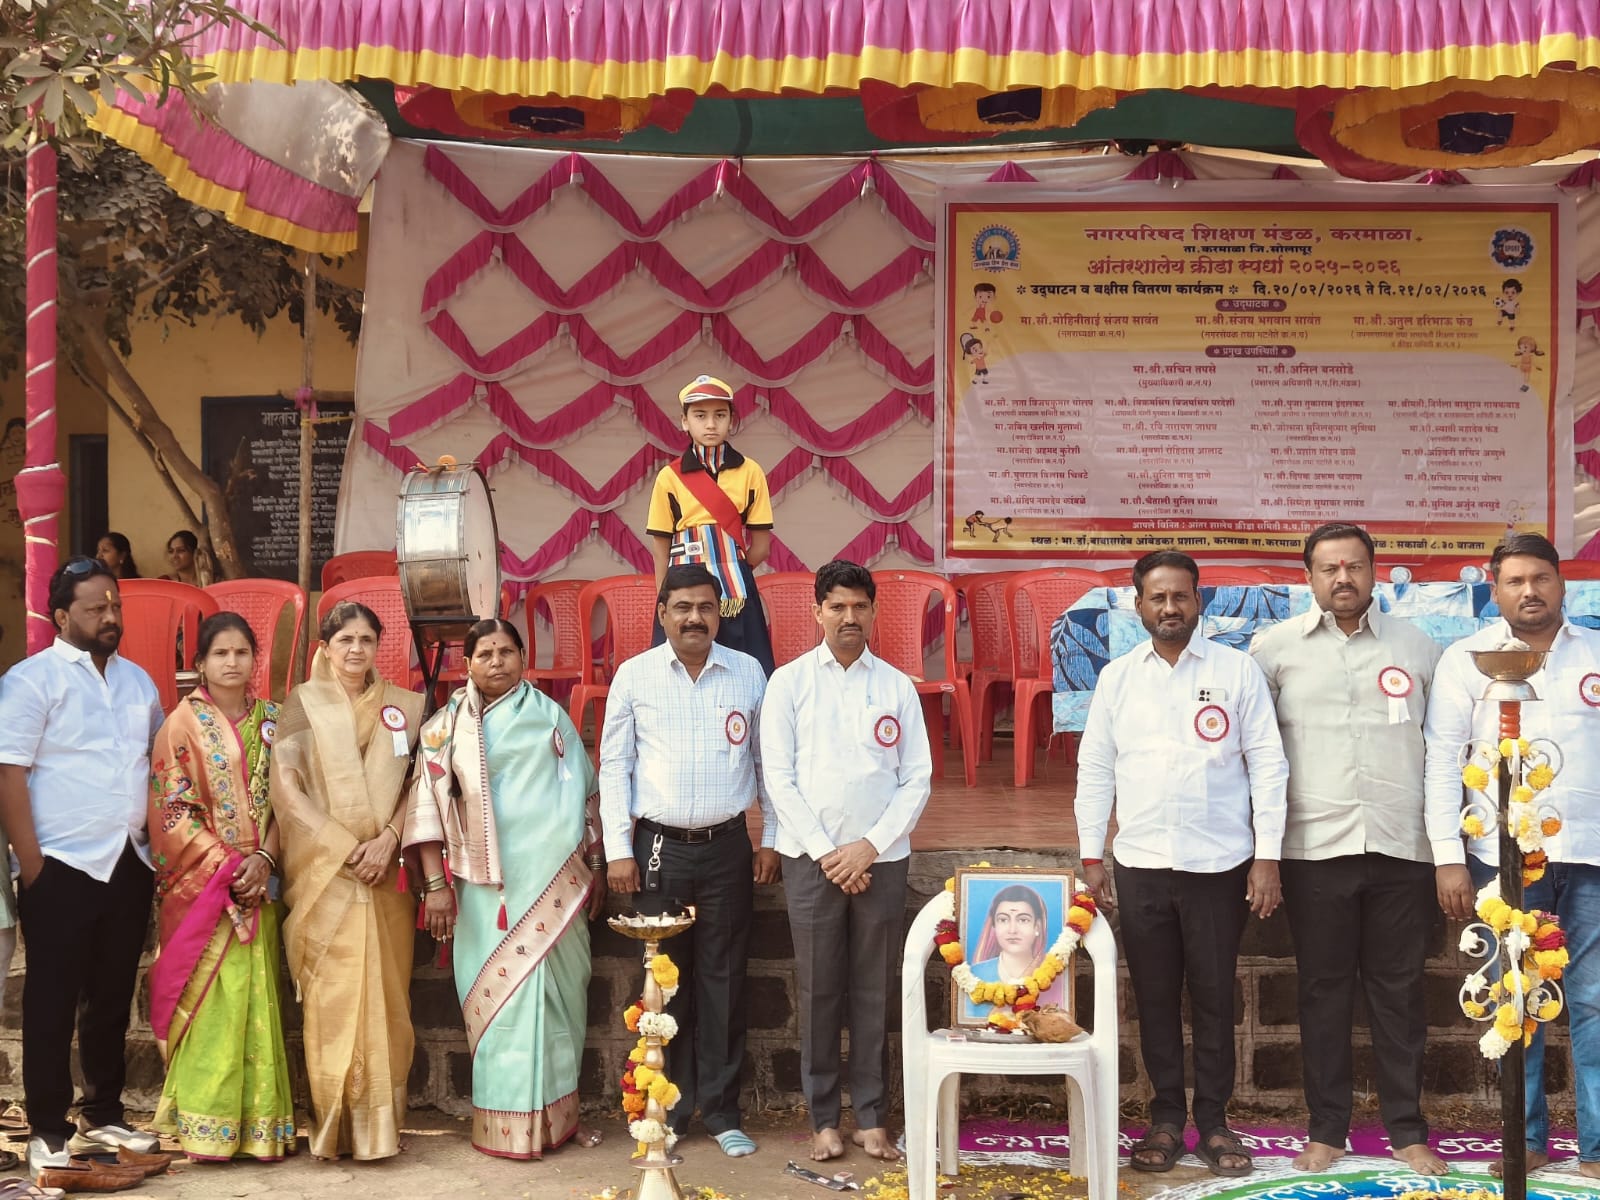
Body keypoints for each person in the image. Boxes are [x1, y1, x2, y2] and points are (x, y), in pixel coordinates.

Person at [1075, 549, 1287, 1178]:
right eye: (1157, 597)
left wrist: (1267, 857)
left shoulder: (1236, 671)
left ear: (1199, 601)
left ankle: (1215, 1121)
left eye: (1181, 596)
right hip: (1141, 863)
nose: (1170, 607)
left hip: (1219, 864)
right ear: (1137, 605)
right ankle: (1166, 1118)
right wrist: (1091, 852)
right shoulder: (1118, 678)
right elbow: (1096, 767)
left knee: (1215, 997)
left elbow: (1268, 765)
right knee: (1156, 997)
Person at [1249, 523, 1447, 1175]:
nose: (1343, 578)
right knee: (1322, 991)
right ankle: (1327, 1129)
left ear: (1373, 571)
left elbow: (1446, 748)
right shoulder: (1273, 651)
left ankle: (1407, 1130)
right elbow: (1256, 755)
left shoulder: (1418, 648)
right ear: (1308, 577)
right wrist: (1263, 848)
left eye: (1355, 566)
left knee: (1400, 993)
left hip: (1401, 844)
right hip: (1314, 847)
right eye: (1329, 568)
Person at [1424, 533, 1600, 1179]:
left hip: (1591, 853)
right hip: (1502, 859)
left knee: (1593, 1000)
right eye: (1515, 581)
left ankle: (1597, 1147)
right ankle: (1523, 1139)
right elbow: (1442, 762)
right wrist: (1447, 856)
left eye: (1541, 578)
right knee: (1515, 999)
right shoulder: (1466, 661)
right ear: (1494, 590)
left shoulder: (1595, 653)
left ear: (1562, 584)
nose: (1530, 591)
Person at [407, 619, 605, 1159]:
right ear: (467, 664)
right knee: (499, 1008)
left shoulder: (551, 718)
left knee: (561, 1005)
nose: (496, 662)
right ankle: (502, 1126)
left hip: (556, 882)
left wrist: (596, 861)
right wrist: (435, 886)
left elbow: (585, 794)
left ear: (522, 657)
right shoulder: (444, 728)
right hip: (483, 892)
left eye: (506, 651)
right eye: (485, 654)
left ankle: (559, 1122)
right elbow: (425, 809)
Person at [599, 564, 777, 1158]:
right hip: (657, 849)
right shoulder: (635, 675)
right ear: (662, 614)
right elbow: (614, 766)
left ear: (719, 614)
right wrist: (618, 849)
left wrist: (771, 837)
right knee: (663, 984)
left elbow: (766, 763)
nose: (694, 618)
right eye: (682, 607)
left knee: (725, 979)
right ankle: (666, 1110)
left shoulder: (747, 672)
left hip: (728, 846)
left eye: (705, 607)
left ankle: (723, 1112)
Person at [761, 559, 932, 1163]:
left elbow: (916, 778)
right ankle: (823, 1119)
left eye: (860, 606)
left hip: (880, 859)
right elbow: (778, 777)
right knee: (819, 989)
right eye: (837, 606)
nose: (849, 617)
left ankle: (872, 1117)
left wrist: (869, 846)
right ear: (817, 612)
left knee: (874, 988)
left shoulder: (897, 687)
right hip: (812, 860)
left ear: (874, 612)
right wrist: (828, 851)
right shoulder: (788, 684)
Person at [0, 557, 164, 1178]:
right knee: (51, 999)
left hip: (127, 859)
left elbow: (157, 766)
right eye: (96, 608)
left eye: (114, 605)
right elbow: (9, 772)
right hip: (60, 864)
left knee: (111, 996)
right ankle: (47, 1126)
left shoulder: (139, 683)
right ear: (62, 616)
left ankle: (103, 1113)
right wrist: (33, 865)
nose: (110, 616)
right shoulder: (30, 681)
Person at [270, 600, 422, 1162]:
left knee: (388, 997)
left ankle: (381, 1127)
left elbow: (418, 784)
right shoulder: (300, 705)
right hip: (326, 873)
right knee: (331, 1002)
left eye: (366, 640)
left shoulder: (404, 707)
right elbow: (287, 791)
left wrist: (389, 839)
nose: (356, 649)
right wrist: (342, 846)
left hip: (385, 872)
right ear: (325, 647)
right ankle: (334, 1125)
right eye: (345, 640)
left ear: (378, 646)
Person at [148, 612, 295, 1161]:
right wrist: (229, 868)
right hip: (205, 888)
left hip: (262, 881)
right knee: (213, 1002)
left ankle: (258, 1127)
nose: (232, 662)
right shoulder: (181, 725)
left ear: (255, 658)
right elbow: (172, 810)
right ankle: (205, 1124)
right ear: (201, 663)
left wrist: (264, 859)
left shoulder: (275, 722)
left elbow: (289, 801)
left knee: (257, 997)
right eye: (220, 653)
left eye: (241, 652)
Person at [646, 374, 776, 675]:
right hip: (683, 586)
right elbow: (660, 548)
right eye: (700, 415)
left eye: (720, 415)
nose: (710, 424)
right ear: (684, 421)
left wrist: (729, 566)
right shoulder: (669, 477)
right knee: (674, 671)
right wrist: (665, 598)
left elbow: (762, 547)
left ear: (731, 419)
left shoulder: (751, 472)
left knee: (745, 669)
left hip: (735, 589)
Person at [959, 884, 1065, 1022]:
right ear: (994, 927)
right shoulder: (974, 975)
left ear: (1037, 927)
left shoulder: (1055, 979)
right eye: (1003, 920)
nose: (1012, 930)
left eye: (1023, 920)